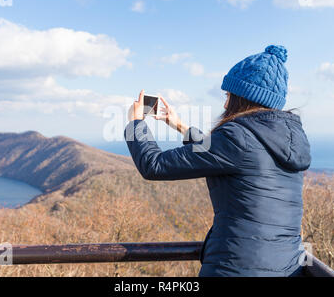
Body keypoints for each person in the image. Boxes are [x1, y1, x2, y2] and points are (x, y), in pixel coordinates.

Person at [124, 45, 311, 277]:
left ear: (241, 99)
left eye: (228, 96)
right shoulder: (287, 138)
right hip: (288, 267)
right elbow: (233, 153)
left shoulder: (237, 137)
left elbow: (154, 165)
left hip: (235, 268)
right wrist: (179, 125)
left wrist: (135, 125)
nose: (224, 105)